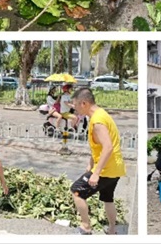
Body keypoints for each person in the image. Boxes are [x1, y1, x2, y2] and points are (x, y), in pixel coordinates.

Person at [69, 88, 126, 235]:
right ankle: (112, 230)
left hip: (106, 170)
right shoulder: (102, 114)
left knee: (77, 191)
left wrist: (96, 173)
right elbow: (99, 147)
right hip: (116, 168)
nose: (74, 108)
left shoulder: (98, 121)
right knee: (108, 198)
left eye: (75, 105)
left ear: (84, 103)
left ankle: (86, 226)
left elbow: (107, 147)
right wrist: (91, 164)